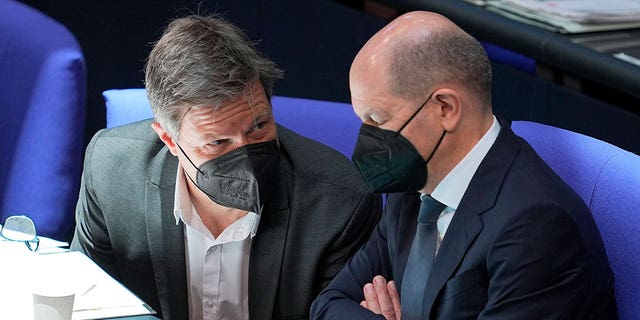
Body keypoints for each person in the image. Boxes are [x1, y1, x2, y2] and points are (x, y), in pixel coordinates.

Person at [70, 14, 381, 320]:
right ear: (170, 140)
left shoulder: (340, 204)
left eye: (258, 126)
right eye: (218, 142)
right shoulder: (112, 171)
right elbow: (86, 302)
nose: (245, 153)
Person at [311, 11, 617, 320]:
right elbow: (328, 304)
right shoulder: (413, 186)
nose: (365, 139)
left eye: (377, 120)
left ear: (445, 108)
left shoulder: (536, 227)